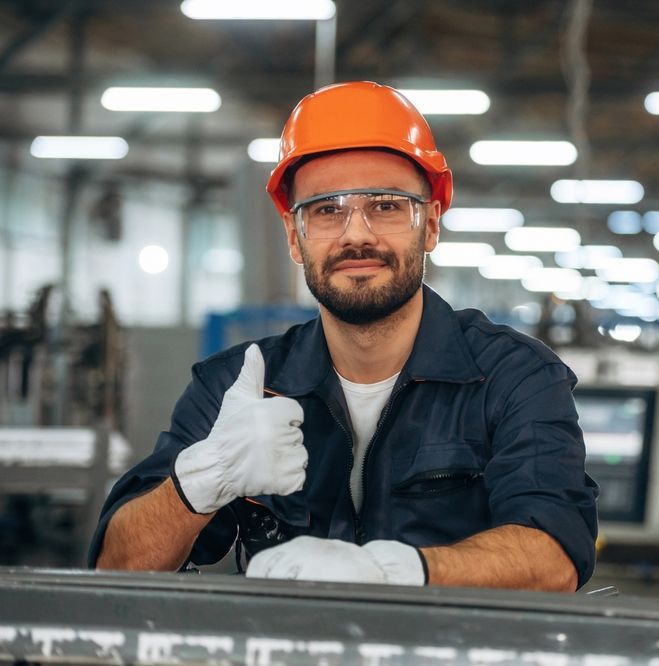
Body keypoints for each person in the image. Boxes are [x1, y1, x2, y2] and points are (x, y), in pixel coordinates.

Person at [90, 81, 599, 591]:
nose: (357, 234)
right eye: (327, 210)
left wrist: (398, 572)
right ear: (295, 235)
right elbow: (115, 570)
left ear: (431, 226)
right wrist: (200, 481)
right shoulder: (239, 386)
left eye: (386, 205)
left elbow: (555, 556)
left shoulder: (513, 377)